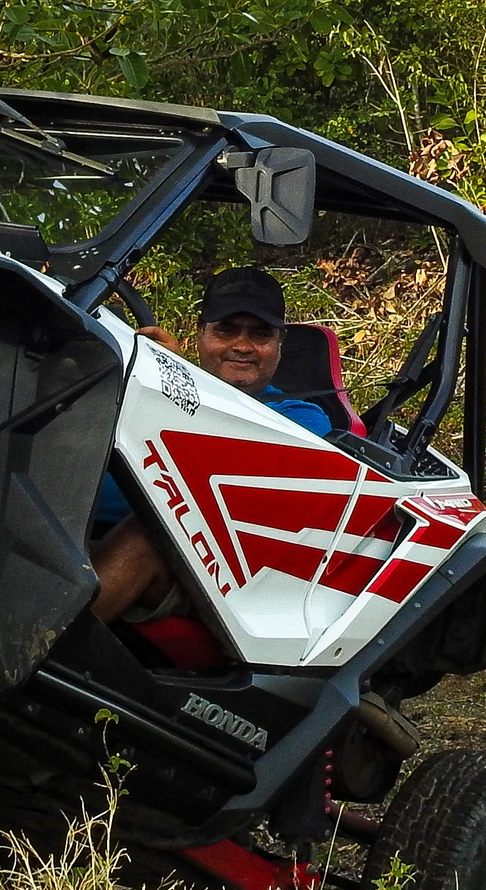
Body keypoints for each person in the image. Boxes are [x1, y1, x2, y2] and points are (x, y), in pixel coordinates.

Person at [88, 267, 334, 623]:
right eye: (227, 330)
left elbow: (210, 478)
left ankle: (29, 661)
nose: (243, 346)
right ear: (201, 334)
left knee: (149, 533)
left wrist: (172, 379)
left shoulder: (301, 418)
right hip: (80, 533)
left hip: (207, 576)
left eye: (260, 334)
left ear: (279, 345)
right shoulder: (148, 387)